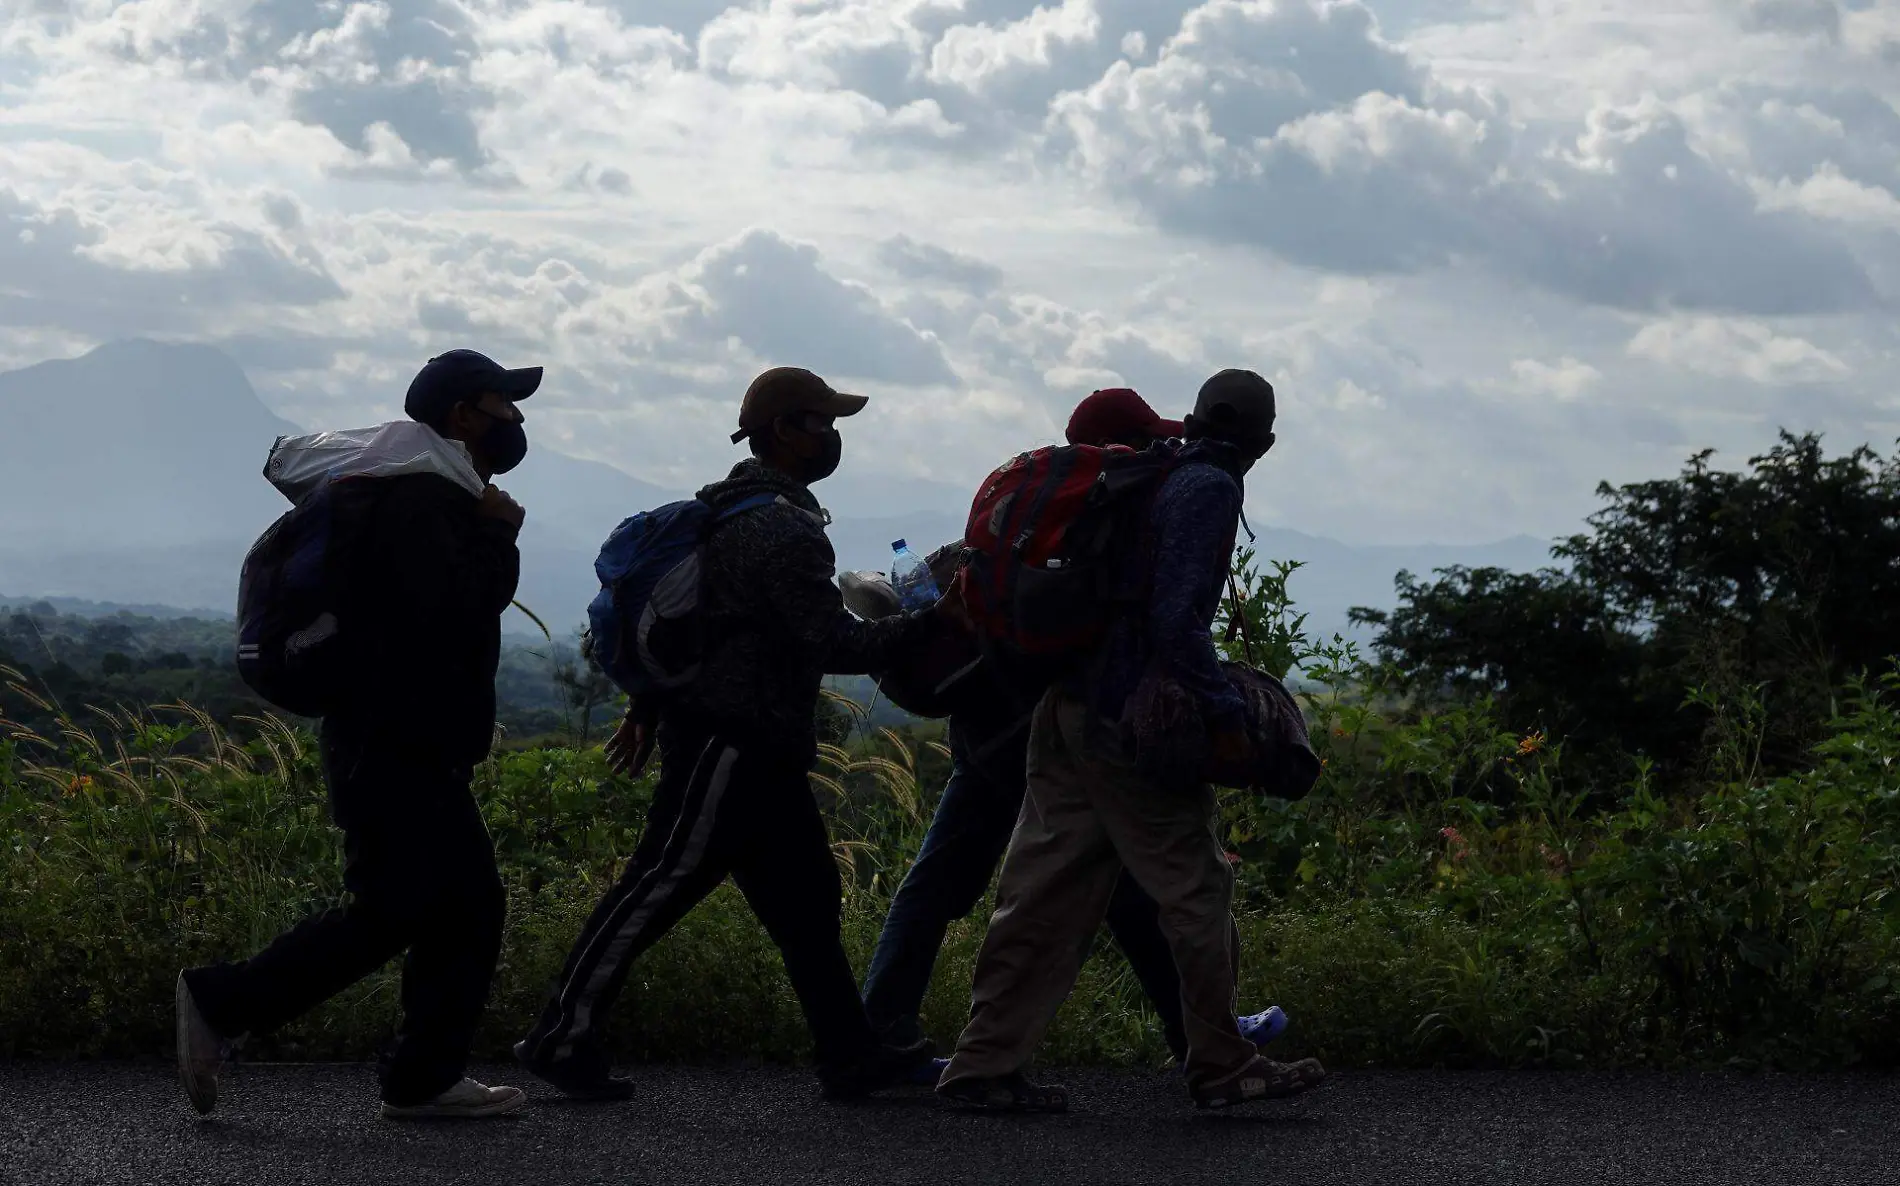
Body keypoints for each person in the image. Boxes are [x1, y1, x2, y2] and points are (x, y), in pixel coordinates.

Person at [516, 367, 946, 1101]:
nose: (834, 436)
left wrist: (650, 704)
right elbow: (830, 643)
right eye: (823, 421)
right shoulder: (780, 528)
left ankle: (850, 1054)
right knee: (653, 889)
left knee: (807, 904)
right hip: (731, 747)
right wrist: (938, 623)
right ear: (786, 430)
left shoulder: (735, 512)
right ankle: (560, 1037)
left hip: (755, 748)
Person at [860, 387, 1286, 1083]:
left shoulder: (1051, 511)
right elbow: (1175, 622)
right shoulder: (1166, 493)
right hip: (1070, 724)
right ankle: (1214, 1055)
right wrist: (1227, 717)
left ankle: (973, 1058)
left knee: (1039, 892)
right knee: (1177, 887)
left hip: (1034, 720)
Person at [176, 349, 539, 1120]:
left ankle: (424, 1077)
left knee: (468, 904)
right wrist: (500, 534)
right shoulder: (421, 497)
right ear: (463, 415)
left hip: (408, 737)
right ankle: (221, 1000)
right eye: (504, 402)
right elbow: (447, 608)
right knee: (395, 907)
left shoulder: (426, 487)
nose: (516, 418)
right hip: (393, 737)